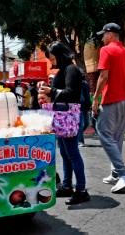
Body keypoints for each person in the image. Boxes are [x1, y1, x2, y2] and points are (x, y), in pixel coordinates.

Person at [40, 41, 89, 205]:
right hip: (61, 118)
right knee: (65, 153)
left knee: (72, 153)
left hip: (67, 118)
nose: (51, 62)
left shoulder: (71, 69)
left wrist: (51, 91)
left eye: (53, 58)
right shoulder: (65, 70)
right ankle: (67, 185)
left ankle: (81, 190)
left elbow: (71, 93)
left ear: (60, 56)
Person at [92, 23, 125, 193]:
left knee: (103, 133)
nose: (102, 38)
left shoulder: (106, 50)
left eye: (103, 35)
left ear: (110, 34)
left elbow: (103, 76)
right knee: (116, 138)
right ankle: (116, 173)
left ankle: (124, 173)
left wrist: (95, 98)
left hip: (111, 99)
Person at [78, 75, 91, 147]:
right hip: (78, 105)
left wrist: (89, 104)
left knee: (86, 123)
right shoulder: (74, 83)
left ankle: (78, 135)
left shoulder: (85, 84)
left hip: (85, 106)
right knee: (80, 124)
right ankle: (80, 141)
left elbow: (87, 95)